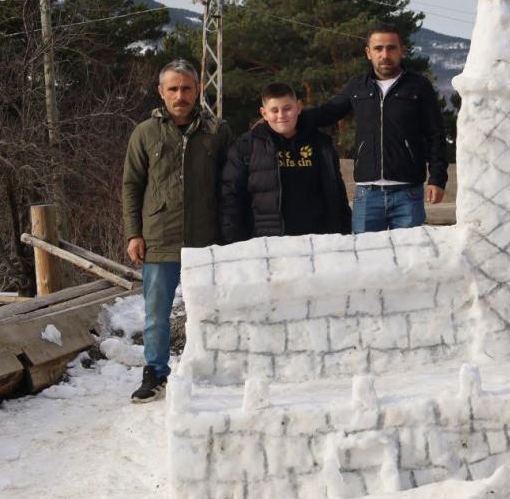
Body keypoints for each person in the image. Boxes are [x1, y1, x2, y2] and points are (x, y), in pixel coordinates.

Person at [122, 59, 233, 403]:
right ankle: (155, 372)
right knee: (157, 313)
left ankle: (214, 368)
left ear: (198, 89)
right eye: (173, 89)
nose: (180, 95)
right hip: (159, 237)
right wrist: (133, 233)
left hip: (207, 238)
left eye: (186, 88)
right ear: (161, 92)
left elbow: (231, 184)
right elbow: (131, 185)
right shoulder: (145, 133)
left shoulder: (218, 131)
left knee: (212, 309)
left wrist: (231, 234)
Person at [298, 23, 448, 232]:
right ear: (368, 53)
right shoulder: (357, 86)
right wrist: (289, 118)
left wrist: (437, 178)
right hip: (367, 195)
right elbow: (327, 112)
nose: (385, 54)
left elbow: (436, 135)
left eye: (391, 48)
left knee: (408, 260)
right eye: (378, 48)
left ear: (401, 51)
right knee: (365, 260)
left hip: (408, 194)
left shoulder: (418, 86)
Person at [220, 82, 351, 243]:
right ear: (264, 113)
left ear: (299, 107)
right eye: (274, 110)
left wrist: (344, 235)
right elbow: (231, 197)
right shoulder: (245, 147)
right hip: (267, 243)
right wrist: (235, 243)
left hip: (317, 242)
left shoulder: (321, 144)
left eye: (287, 108)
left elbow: (337, 195)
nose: (281, 115)